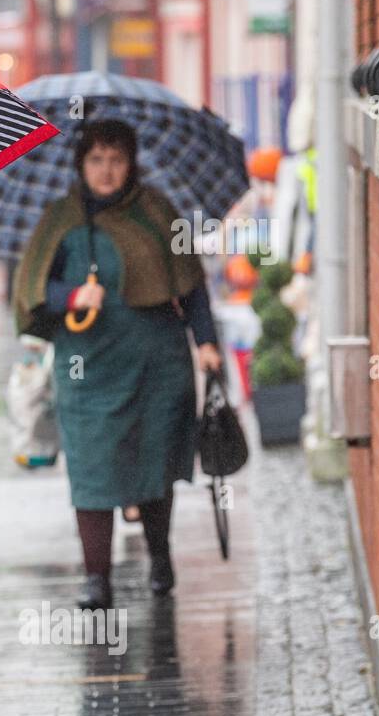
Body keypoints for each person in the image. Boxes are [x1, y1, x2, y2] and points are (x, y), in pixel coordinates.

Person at [12, 118, 222, 609]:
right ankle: (96, 579)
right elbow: (31, 293)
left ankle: (160, 556)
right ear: (81, 164)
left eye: (117, 160)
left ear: (131, 164)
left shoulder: (157, 211)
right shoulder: (60, 219)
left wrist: (207, 342)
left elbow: (191, 284)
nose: (106, 171)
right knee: (92, 466)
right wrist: (70, 294)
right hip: (88, 369)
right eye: (96, 160)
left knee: (155, 462)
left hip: (157, 362)